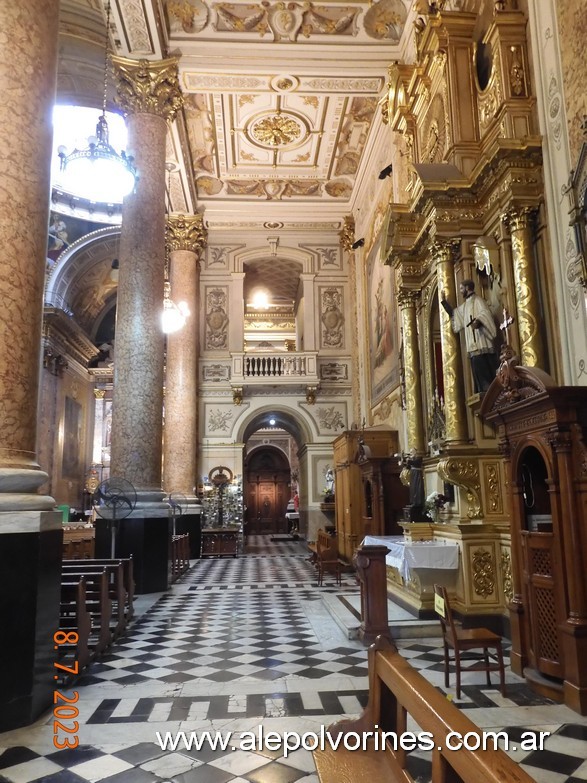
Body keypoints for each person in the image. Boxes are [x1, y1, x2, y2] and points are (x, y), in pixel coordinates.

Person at [441, 279, 499, 393]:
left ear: (467, 288)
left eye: (462, 288)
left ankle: (489, 392)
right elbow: (454, 314)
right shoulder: (465, 306)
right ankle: (482, 392)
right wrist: (444, 302)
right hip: (472, 346)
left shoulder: (478, 301)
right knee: (477, 373)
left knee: (484, 372)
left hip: (482, 343)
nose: (461, 291)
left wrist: (478, 322)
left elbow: (485, 314)